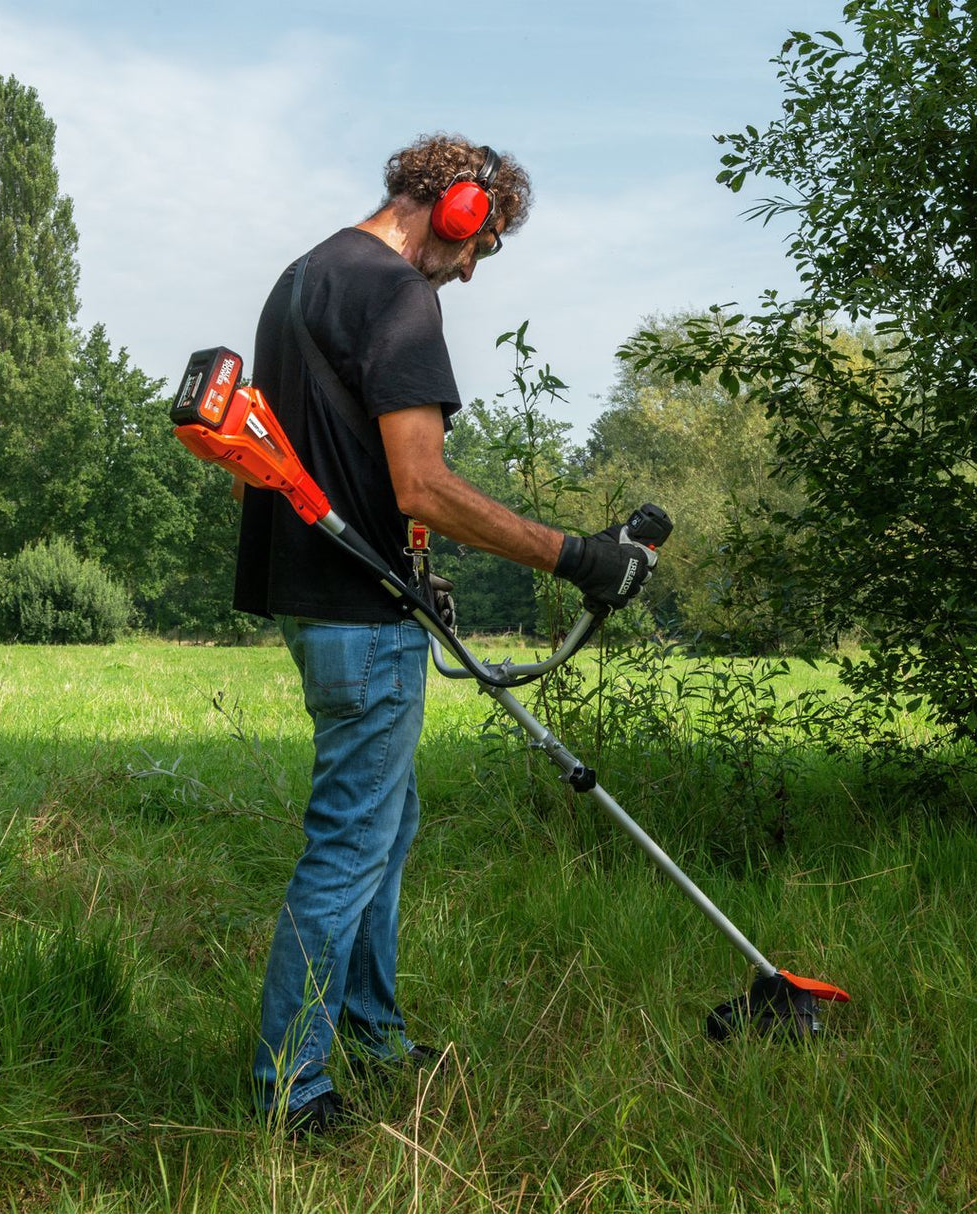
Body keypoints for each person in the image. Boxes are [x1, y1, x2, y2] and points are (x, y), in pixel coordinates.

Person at [233, 133, 655, 1136]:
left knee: (384, 827)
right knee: (349, 845)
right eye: (481, 245)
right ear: (458, 207)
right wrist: (577, 557)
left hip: (313, 603)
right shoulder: (397, 293)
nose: (470, 270)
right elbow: (419, 483)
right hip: (360, 617)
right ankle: (290, 1091)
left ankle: (374, 1036)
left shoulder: (300, 280)